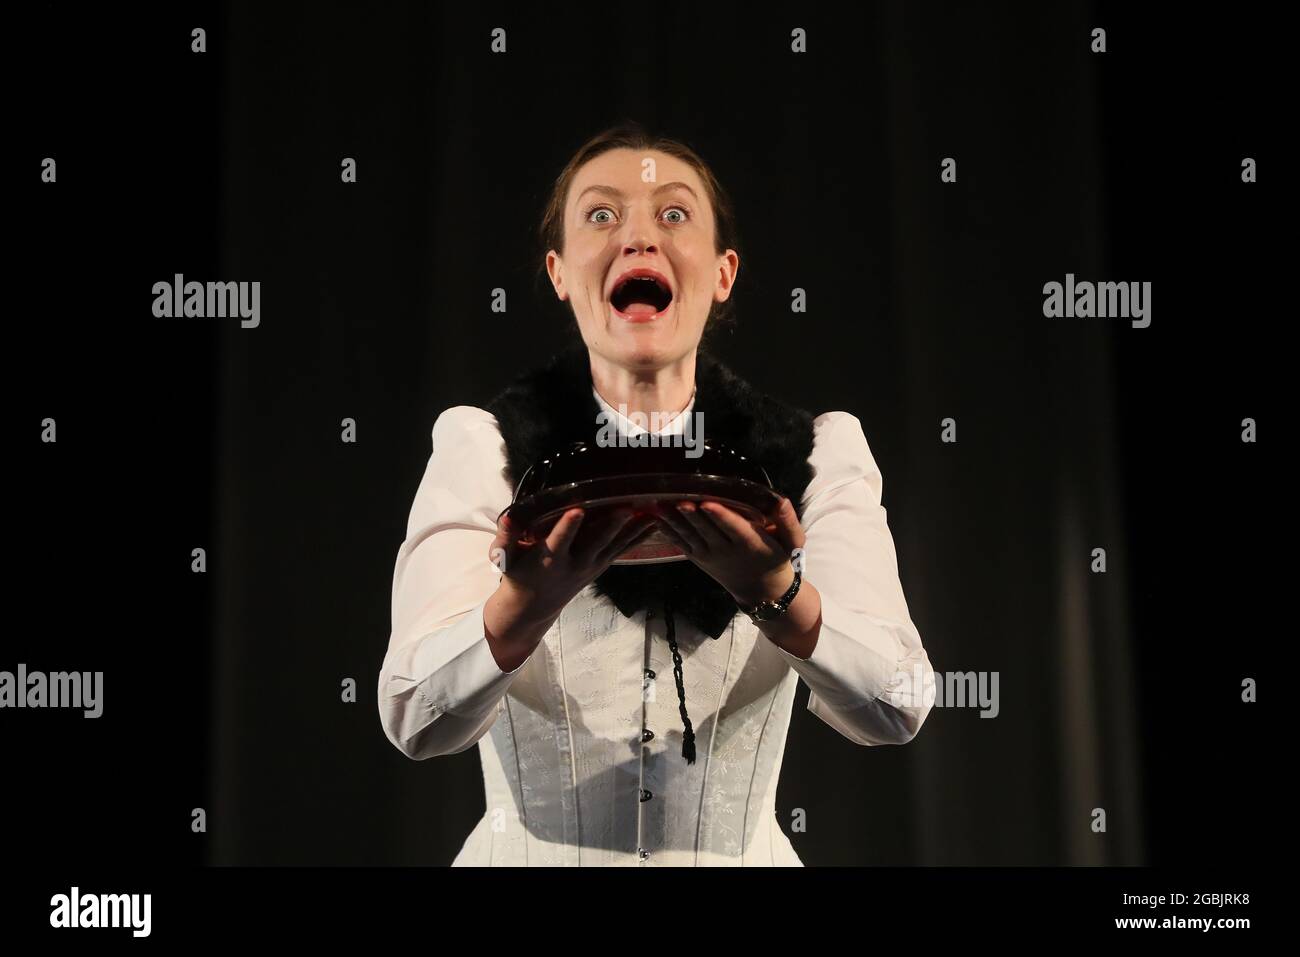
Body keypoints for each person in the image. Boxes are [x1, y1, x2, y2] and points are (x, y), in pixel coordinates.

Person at [377, 122, 936, 866]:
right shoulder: (487, 449)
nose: (639, 237)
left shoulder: (815, 454)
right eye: (601, 215)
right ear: (560, 272)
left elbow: (898, 703)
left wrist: (773, 590)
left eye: (674, 215)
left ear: (724, 271)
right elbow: (414, 715)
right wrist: (527, 604)